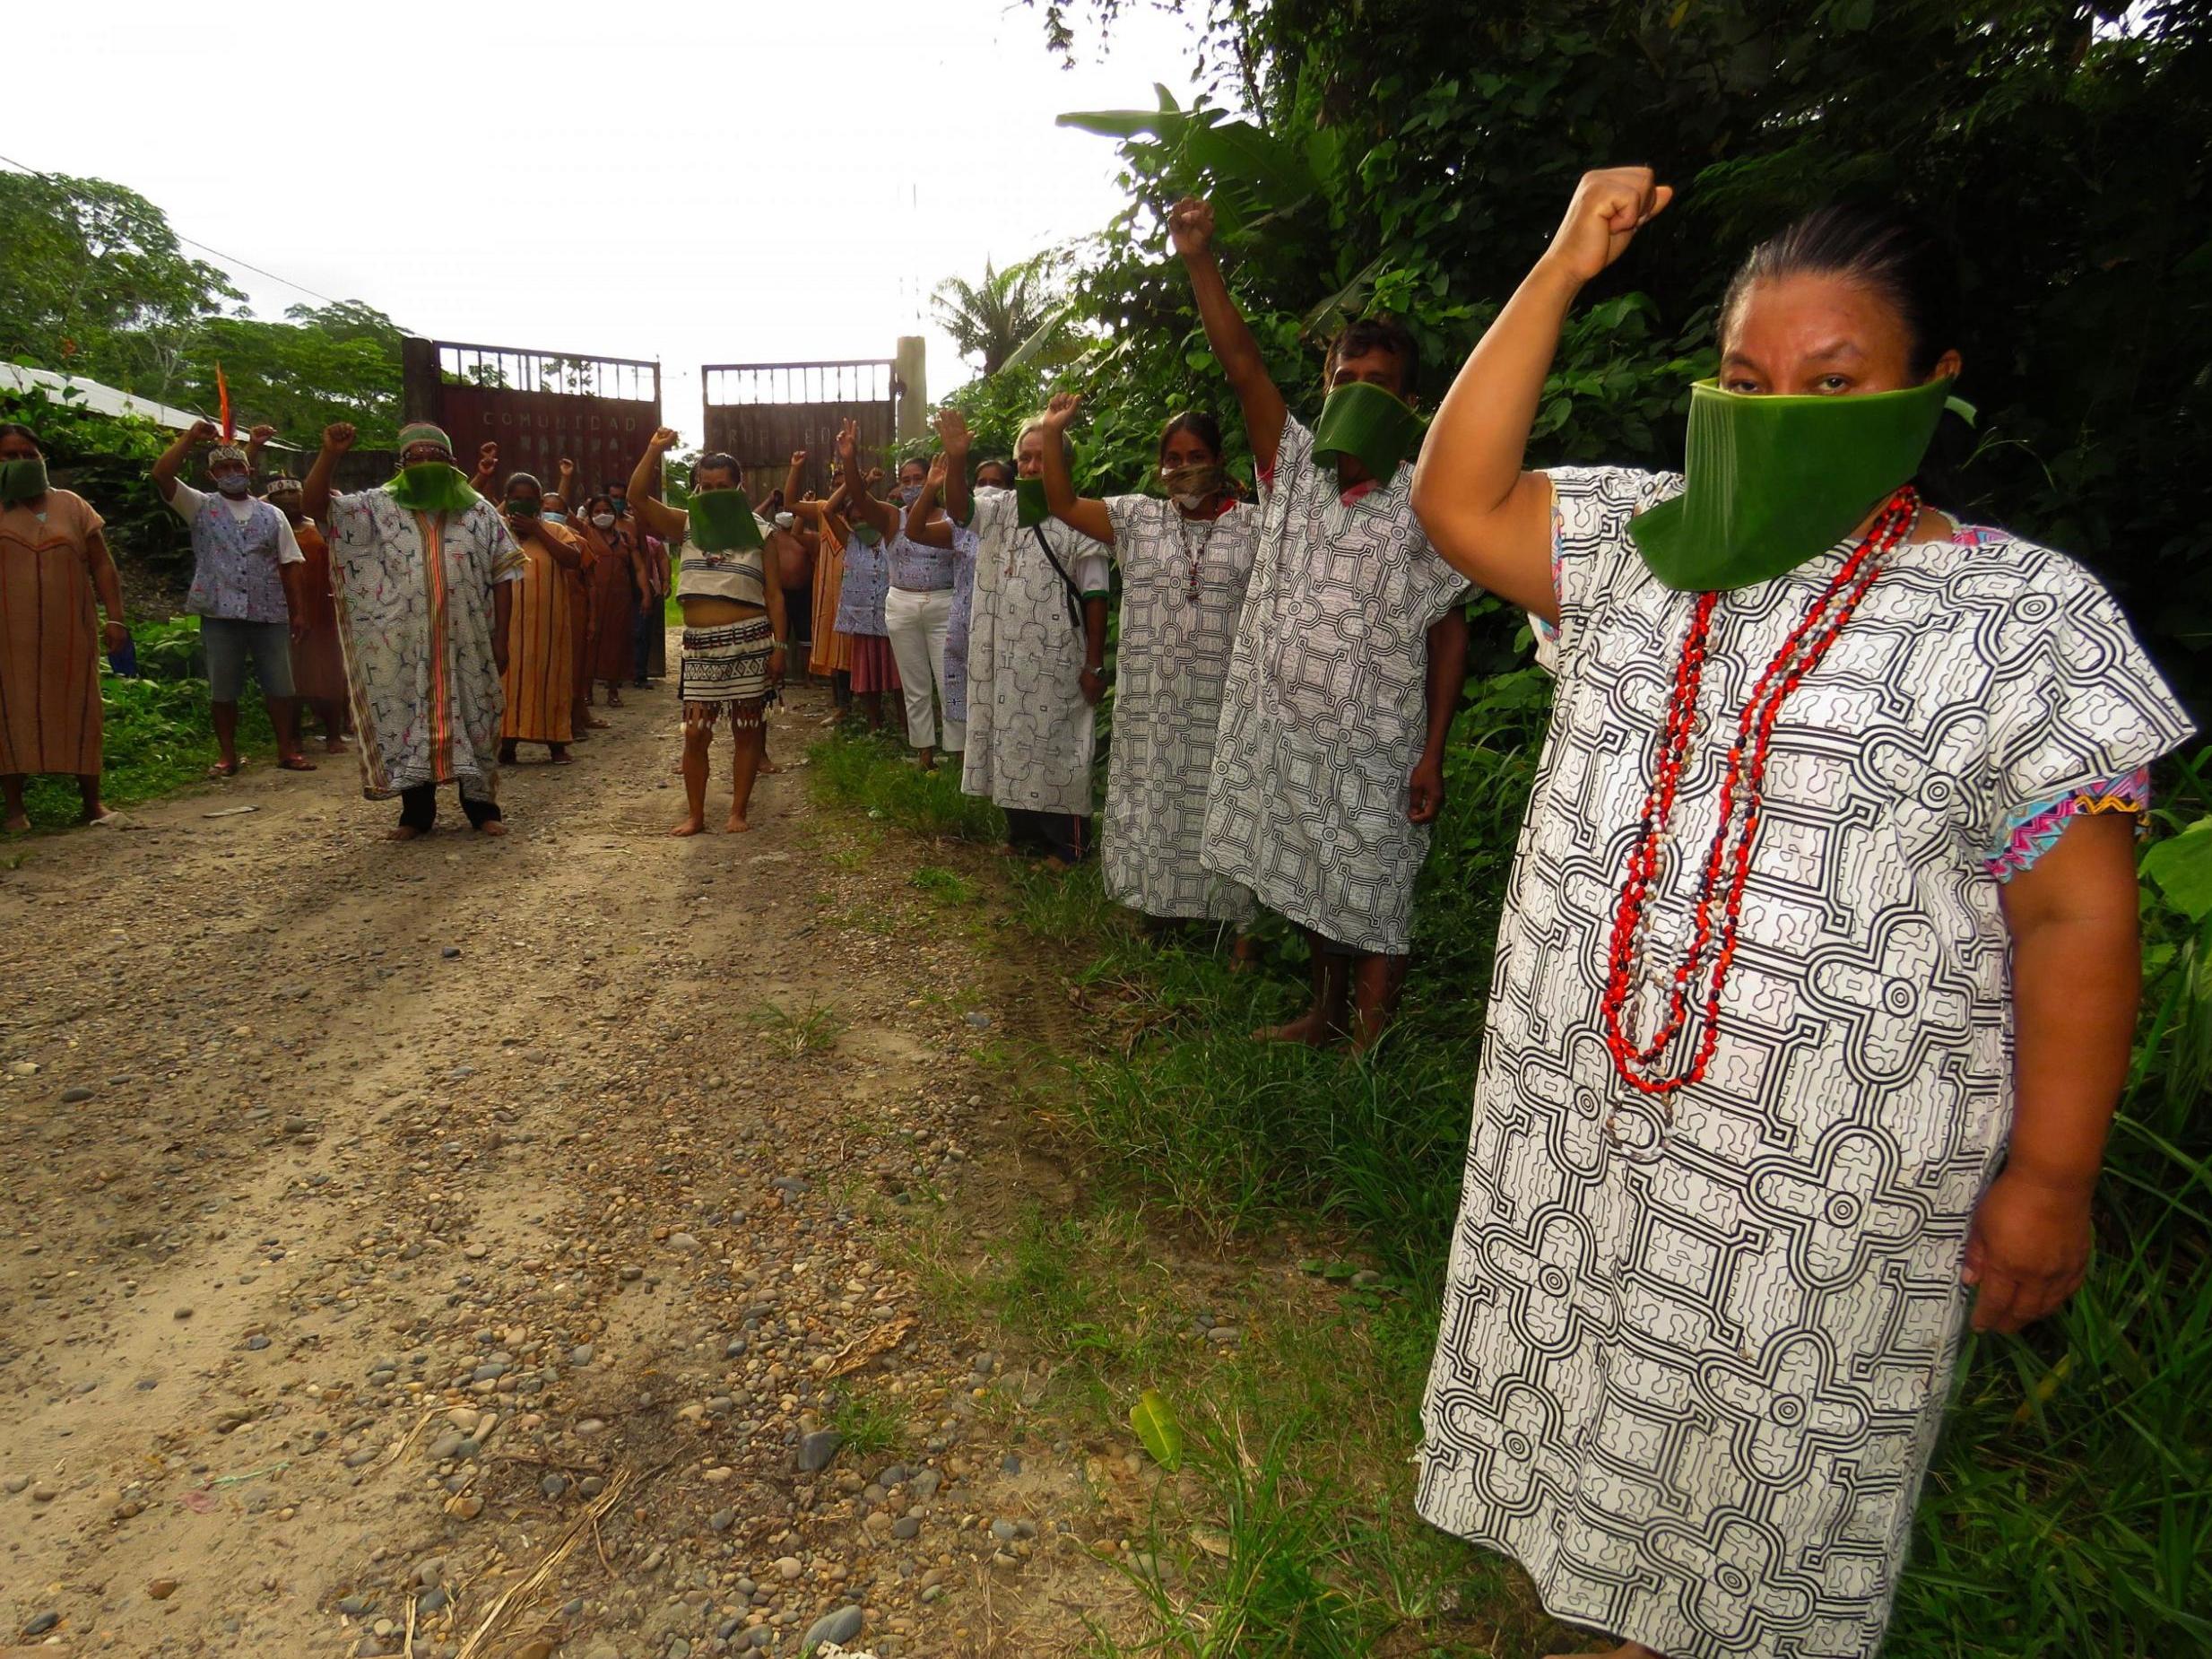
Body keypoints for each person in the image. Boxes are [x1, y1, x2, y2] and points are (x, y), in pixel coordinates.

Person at [1406, 169, 2196, 1659]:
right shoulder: (1644, 549)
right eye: (1745, 381)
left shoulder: (2019, 623)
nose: (1778, 415)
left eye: (1832, 385)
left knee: (1762, 1461)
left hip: (1824, 1177)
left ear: (1928, 389)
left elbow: (2070, 924)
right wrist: (1562, 266)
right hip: (1590, 1123)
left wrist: (2052, 1172)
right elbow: (1455, 499)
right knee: (1595, 1392)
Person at [1171, 196, 1472, 1047]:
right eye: (1345, 380)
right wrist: (1200, 260)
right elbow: (1241, 366)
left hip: (1379, 743)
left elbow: (1448, 628)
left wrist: (1432, 749)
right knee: (1309, 876)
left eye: (1378, 386)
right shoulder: (1293, 466)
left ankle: (1367, 1057)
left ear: (1410, 402)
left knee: (1374, 886)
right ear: (1325, 385)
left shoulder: (1429, 499)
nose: (1357, 395)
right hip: (1290, 738)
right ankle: (1324, 1013)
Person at [1033, 392, 1260, 927]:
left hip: (1224, 702)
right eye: (1174, 459)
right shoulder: (1137, 519)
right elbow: (1061, 503)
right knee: (1156, 795)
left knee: (1219, 800)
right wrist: (1051, 433)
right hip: (1153, 703)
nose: (1184, 470)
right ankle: (1157, 907)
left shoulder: (1254, 525)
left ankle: (1229, 918)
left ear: (1218, 462)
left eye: (1196, 457)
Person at [302, 421, 523, 838]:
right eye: (415, 458)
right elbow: (315, 507)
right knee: (409, 714)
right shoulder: (376, 508)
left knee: (477, 714)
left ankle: (482, 807)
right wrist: (330, 454)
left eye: (434, 457)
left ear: (452, 464)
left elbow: (504, 574)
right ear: (401, 465)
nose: (425, 463)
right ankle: (416, 814)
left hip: (469, 639)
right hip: (403, 642)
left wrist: (501, 638)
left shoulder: (479, 512)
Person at [909, 407, 1108, 869]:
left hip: (1058, 657)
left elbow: (1096, 594)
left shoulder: (1082, 518)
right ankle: (1023, 835)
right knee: (1011, 740)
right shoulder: (999, 510)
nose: (1033, 467)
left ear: (1065, 464)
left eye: (1044, 457)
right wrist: (956, 460)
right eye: (1026, 458)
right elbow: (960, 510)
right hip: (1001, 656)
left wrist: (1094, 663)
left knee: (1060, 745)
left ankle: (1069, 846)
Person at [624, 428, 789, 835]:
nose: (713, 491)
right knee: (696, 733)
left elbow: (774, 594)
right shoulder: (685, 523)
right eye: (706, 484)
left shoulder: (762, 532)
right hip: (699, 647)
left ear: (739, 487)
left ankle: (738, 812)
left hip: (750, 639)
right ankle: (696, 815)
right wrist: (654, 449)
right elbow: (636, 498)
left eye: (722, 486)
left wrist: (780, 646)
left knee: (747, 729)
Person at [153, 419, 316, 777]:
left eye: (236, 467)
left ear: (250, 471)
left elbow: (291, 564)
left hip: (269, 610)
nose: (230, 473)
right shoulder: (199, 506)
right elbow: (162, 475)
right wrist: (188, 438)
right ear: (211, 475)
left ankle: (286, 750)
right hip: (219, 610)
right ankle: (228, 755)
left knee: (280, 684)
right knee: (223, 687)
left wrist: (299, 612)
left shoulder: (272, 514)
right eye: (222, 468)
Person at [0, 422, 128, 830]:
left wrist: (117, 617)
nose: (22, 461)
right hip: (8, 636)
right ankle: (16, 810)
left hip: (71, 632)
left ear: (42, 458)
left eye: (29, 454)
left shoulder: (72, 505)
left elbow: (103, 564)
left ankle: (91, 803)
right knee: (9, 711)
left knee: (81, 707)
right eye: (10, 456)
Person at [852, 451, 961, 769]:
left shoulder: (951, 517)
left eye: (919, 478)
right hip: (901, 603)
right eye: (906, 480)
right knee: (915, 685)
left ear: (933, 478)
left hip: (944, 603)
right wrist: (849, 457)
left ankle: (959, 755)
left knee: (950, 681)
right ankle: (924, 753)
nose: (913, 485)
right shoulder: (891, 517)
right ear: (898, 486)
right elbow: (858, 497)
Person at [251, 443, 350, 753]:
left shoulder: (320, 528)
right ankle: (292, 736)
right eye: (281, 498)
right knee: (288, 676)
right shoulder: (267, 530)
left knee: (327, 672)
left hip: (323, 612)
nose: (290, 502)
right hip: (282, 611)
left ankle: (333, 733)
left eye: (295, 495)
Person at [495, 472, 583, 765]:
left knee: (551, 680)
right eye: (516, 499)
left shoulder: (555, 531)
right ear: (506, 502)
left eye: (530, 499)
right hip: (507, 628)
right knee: (507, 683)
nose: (522, 504)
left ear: (540, 504)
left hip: (548, 628)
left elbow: (574, 559)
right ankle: (506, 743)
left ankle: (557, 744)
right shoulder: (496, 532)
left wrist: (538, 530)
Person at [829, 431, 901, 732]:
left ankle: (905, 728)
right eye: (855, 518)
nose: (861, 523)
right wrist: (851, 478)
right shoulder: (850, 541)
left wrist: (863, 486)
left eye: (865, 517)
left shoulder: (891, 537)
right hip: (862, 622)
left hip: (892, 622)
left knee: (898, 680)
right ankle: (874, 725)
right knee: (868, 678)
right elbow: (826, 510)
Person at [578, 493, 647, 707]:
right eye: (597, 511)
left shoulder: (625, 538)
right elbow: (565, 513)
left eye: (607, 511)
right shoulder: (584, 534)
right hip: (592, 598)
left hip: (621, 598)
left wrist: (646, 594)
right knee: (590, 643)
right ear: (589, 515)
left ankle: (613, 691)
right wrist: (566, 478)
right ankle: (586, 691)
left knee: (617, 643)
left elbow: (639, 568)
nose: (603, 515)